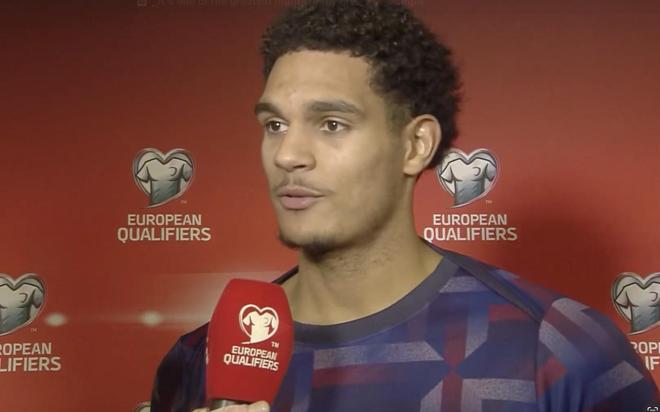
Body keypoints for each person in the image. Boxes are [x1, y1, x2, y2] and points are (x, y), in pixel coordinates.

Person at [150, 1, 659, 411]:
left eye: (331, 124)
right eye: (275, 125)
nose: (287, 155)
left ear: (415, 146)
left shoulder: (559, 347)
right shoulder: (196, 361)